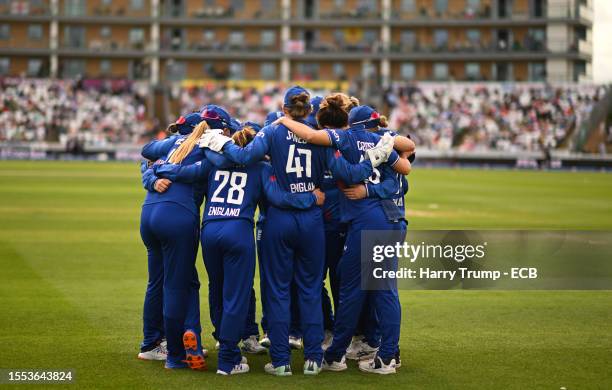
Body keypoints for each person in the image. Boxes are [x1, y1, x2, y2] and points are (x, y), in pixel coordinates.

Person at [199, 86, 395, 376]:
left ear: (285, 107)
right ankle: (314, 358)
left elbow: (243, 156)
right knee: (311, 288)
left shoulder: (273, 131)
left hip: (279, 219)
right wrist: (373, 158)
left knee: (277, 290)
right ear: (308, 110)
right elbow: (350, 174)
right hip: (312, 221)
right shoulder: (318, 138)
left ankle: (280, 361)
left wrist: (216, 142)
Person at [153, 123, 327, 375]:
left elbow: (185, 173)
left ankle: (219, 344)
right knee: (236, 297)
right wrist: (312, 198)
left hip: (210, 229)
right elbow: (279, 199)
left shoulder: (214, 163)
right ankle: (228, 358)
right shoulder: (261, 168)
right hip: (238, 230)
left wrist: (158, 169)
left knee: (217, 289)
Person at [275, 99, 415, 375]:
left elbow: (313, 135)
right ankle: (387, 353)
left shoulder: (346, 136)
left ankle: (350, 354)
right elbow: (405, 170)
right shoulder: (383, 140)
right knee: (382, 288)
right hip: (392, 220)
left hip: (368, 222)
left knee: (357, 290)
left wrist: (284, 121)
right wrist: (384, 149)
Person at [138, 112, 210, 370]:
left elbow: (146, 152)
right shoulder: (207, 145)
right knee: (179, 285)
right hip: (178, 215)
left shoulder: (171, 144)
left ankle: (150, 345)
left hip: (149, 214)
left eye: (179, 130)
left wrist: (153, 175)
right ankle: (175, 354)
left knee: (156, 282)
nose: (175, 133)